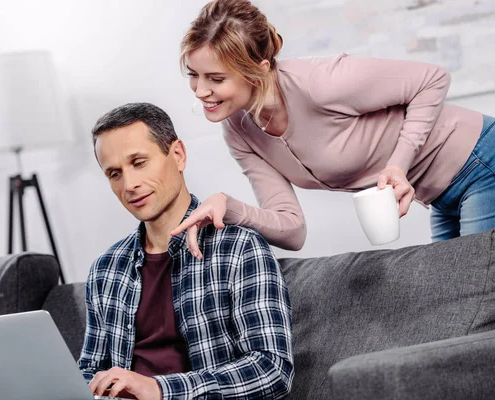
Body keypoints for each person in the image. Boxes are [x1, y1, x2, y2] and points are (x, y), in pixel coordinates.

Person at [171, 0, 495, 258]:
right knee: (457, 301)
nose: (200, 91)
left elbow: (432, 78)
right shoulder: (239, 130)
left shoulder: (320, 82)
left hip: (480, 162)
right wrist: (229, 206)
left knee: (474, 295)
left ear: (259, 71)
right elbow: (292, 230)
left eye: (215, 79)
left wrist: (398, 164)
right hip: (441, 195)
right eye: (193, 75)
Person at [78, 102, 294, 400]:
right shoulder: (106, 269)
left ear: (177, 155)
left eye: (139, 163)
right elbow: (90, 369)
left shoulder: (239, 248)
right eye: (114, 174)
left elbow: (271, 372)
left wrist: (159, 389)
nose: (130, 184)